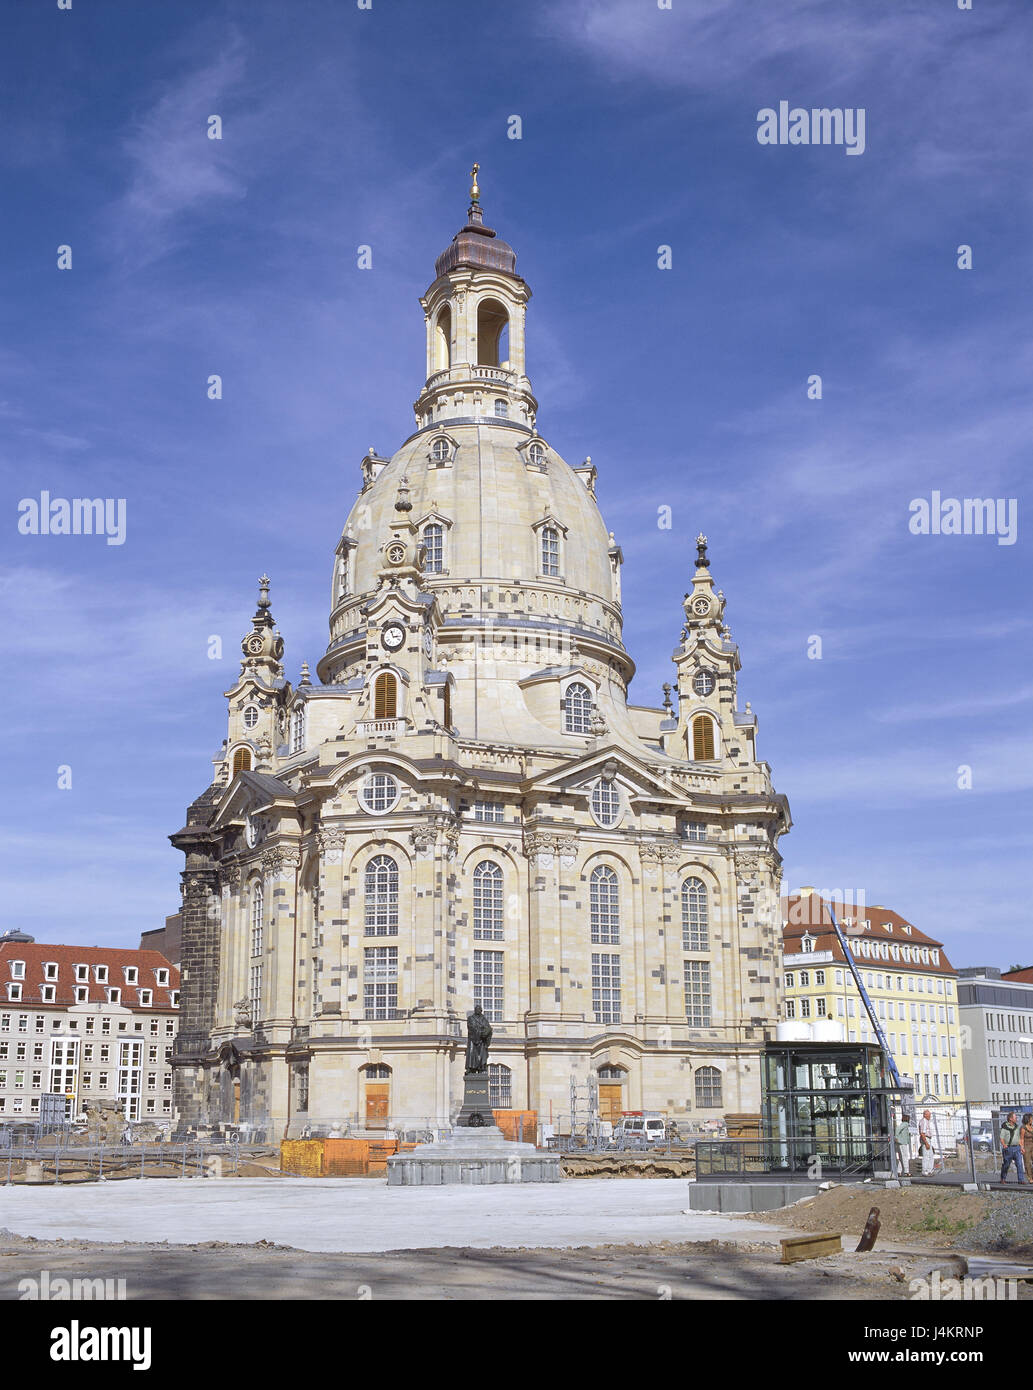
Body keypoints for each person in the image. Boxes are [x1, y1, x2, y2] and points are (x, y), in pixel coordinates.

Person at [1000, 1111, 1026, 1183]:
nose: (1016, 1119)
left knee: (1019, 1164)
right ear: (1010, 1119)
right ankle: (1003, 1178)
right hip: (1008, 1148)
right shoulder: (1005, 1127)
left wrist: (1022, 1147)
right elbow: (1001, 1138)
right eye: (1015, 1117)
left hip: (1017, 1148)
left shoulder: (1017, 1127)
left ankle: (1021, 1180)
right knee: (1006, 1165)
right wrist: (1004, 1144)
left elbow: (1019, 1138)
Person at [918, 1109, 936, 1175]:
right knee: (926, 1155)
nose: (930, 1116)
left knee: (931, 1155)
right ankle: (924, 1170)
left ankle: (929, 1170)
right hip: (925, 1139)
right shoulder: (923, 1122)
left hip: (928, 1138)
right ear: (925, 1115)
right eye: (928, 1115)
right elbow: (922, 1133)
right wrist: (926, 1143)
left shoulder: (927, 1121)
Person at [1021, 1113, 1033, 1185]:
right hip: (1026, 1146)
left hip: (1032, 1145)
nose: (1032, 1120)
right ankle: (1030, 1178)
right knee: (1027, 1163)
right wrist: (1022, 1147)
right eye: (1031, 1118)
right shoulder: (1023, 1128)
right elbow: (1021, 1139)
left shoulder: (1032, 1127)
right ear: (1028, 1119)